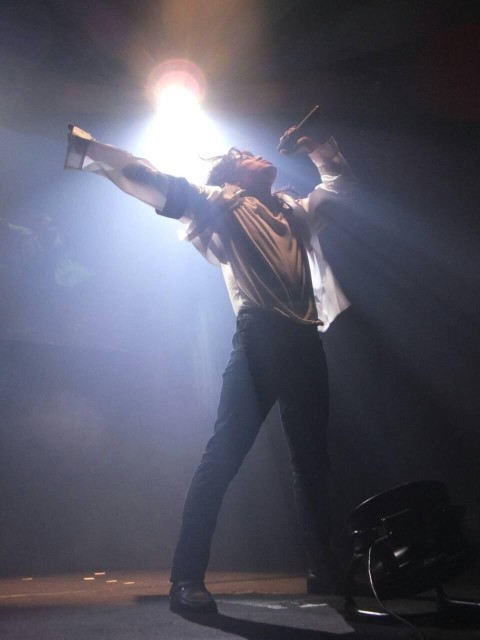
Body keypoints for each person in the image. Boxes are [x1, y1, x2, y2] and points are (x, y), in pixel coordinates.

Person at [64, 122, 358, 614]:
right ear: (234, 174)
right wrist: (90, 150)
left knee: (313, 464)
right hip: (261, 339)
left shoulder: (294, 210)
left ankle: (323, 572)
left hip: (306, 342)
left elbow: (341, 189)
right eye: (246, 155)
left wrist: (320, 148)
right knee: (222, 458)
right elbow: (146, 176)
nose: (259, 155)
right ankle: (185, 578)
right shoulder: (218, 202)